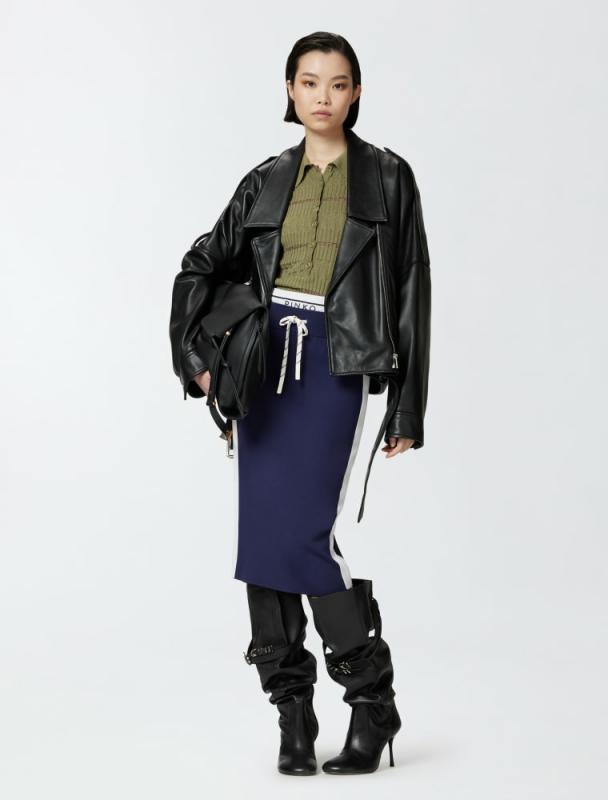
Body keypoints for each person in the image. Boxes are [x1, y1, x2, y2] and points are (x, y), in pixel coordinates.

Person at [169, 31, 431, 776]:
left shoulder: (388, 177)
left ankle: (371, 701)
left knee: (307, 537)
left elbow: (411, 287)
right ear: (290, 90)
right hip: (262, 368)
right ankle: (292, 713)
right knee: (263, 539)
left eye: (338, 83)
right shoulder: (265, 180)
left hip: (337, 363)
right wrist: (198, 361)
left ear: (356, 93)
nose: (323, 96)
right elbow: (201, 265)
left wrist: (407, 406)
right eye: (309, 82)